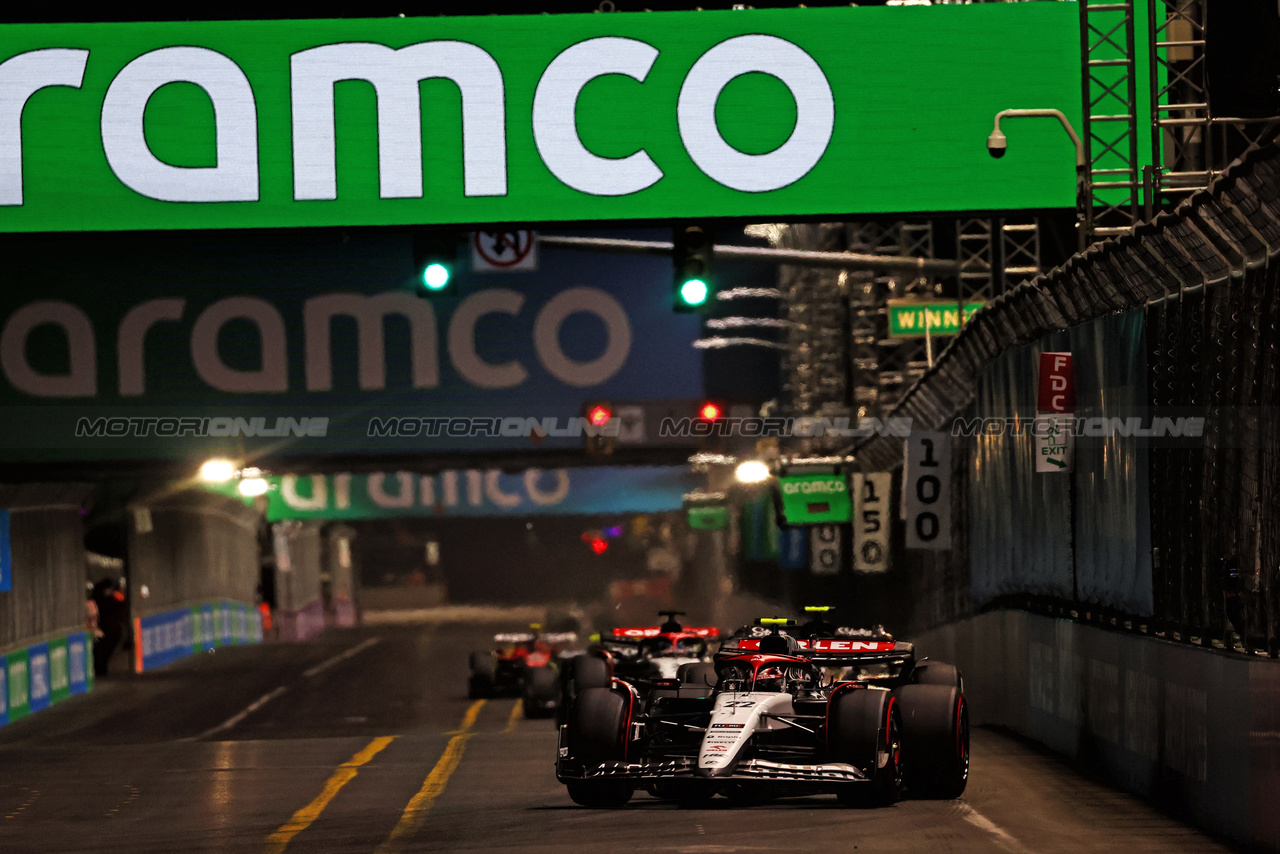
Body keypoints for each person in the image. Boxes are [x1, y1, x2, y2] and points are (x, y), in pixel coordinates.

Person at [92, 578, 126, 676]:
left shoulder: (113, 599)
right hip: (106, 628)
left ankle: (101, 667)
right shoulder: (104, 599)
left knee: (102, 649)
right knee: (101, 649)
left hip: (109, 628)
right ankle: (100, 668)